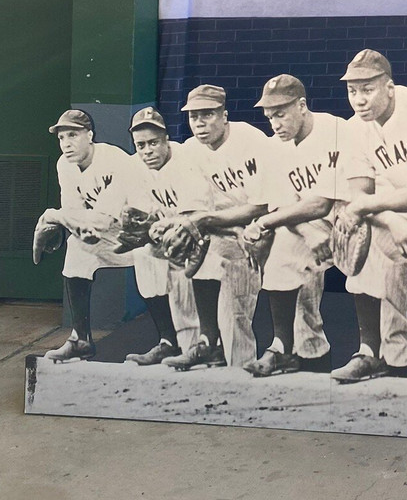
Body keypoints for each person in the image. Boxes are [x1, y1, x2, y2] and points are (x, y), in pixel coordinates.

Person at [289, 50, 407, 383]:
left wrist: (373, 209)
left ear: (389, 87)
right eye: (353, 91)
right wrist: (390, 221)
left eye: (368, 89)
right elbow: (359, 196)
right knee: (370, 239)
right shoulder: (353, 131)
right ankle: (380, 353)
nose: (359, 99)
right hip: (400, 212)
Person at [239, 75, 338, 377]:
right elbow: (282, 203)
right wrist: (305, 231)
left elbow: (324, 202)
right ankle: (284, 348)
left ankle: (384, 357)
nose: (275, 123)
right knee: (283, 256)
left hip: (349, 215)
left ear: (302, 105)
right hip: (306, 225)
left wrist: (264, 223)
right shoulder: (274, 147)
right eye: (270, 117)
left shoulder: (334, 131)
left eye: (280, 113)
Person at [168, 85, 271, 369]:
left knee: (234, 306)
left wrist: (206, 223)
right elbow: (193, 208)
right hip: (221, 228)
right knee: (189, 253)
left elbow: (262, 206)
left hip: (263, 226)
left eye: (207, 115)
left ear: (224, 116)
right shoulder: (190, 150)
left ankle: (240, 365)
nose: (199, 123)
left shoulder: (251, 140)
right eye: (193, 116)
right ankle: (207, 343)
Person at [38, 110, 141, 361]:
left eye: (73, 135)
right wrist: (78, 228)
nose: (66, 143)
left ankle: (169, 341)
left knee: (156, 273)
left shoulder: (114, 159)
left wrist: (52, 215)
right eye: (62, 138)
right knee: (77, 248)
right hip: (107, 232)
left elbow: (105, 219)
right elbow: (74, 211)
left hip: (143, 233)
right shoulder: (65, 164)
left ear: (90, 135)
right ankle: (80, 339)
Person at [123, 108, 202, 365]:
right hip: (165, 231)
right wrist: (148, 226)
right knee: (143, 254)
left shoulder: (186, 158)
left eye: (153, 143)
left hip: (200, 229)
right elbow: (139, 210)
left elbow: (195, 212)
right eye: (140, 145)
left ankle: (195, 346)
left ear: (166, 139)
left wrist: (163, 226)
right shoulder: (134, 165)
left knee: (178, 254)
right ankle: (167, 341)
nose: (147, 150)